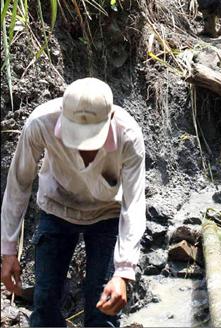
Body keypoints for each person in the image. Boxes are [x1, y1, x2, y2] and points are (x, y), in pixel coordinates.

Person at [1, 77, 145, 328]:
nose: (82, 148)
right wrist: (8, 250)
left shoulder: (128, 135)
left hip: (107, 213)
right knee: (44, 305)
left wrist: (123, 271)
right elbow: (19, 183)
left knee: (103, 311)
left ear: (110, 120)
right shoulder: (41, 122)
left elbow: (134, 204)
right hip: (56, 206)